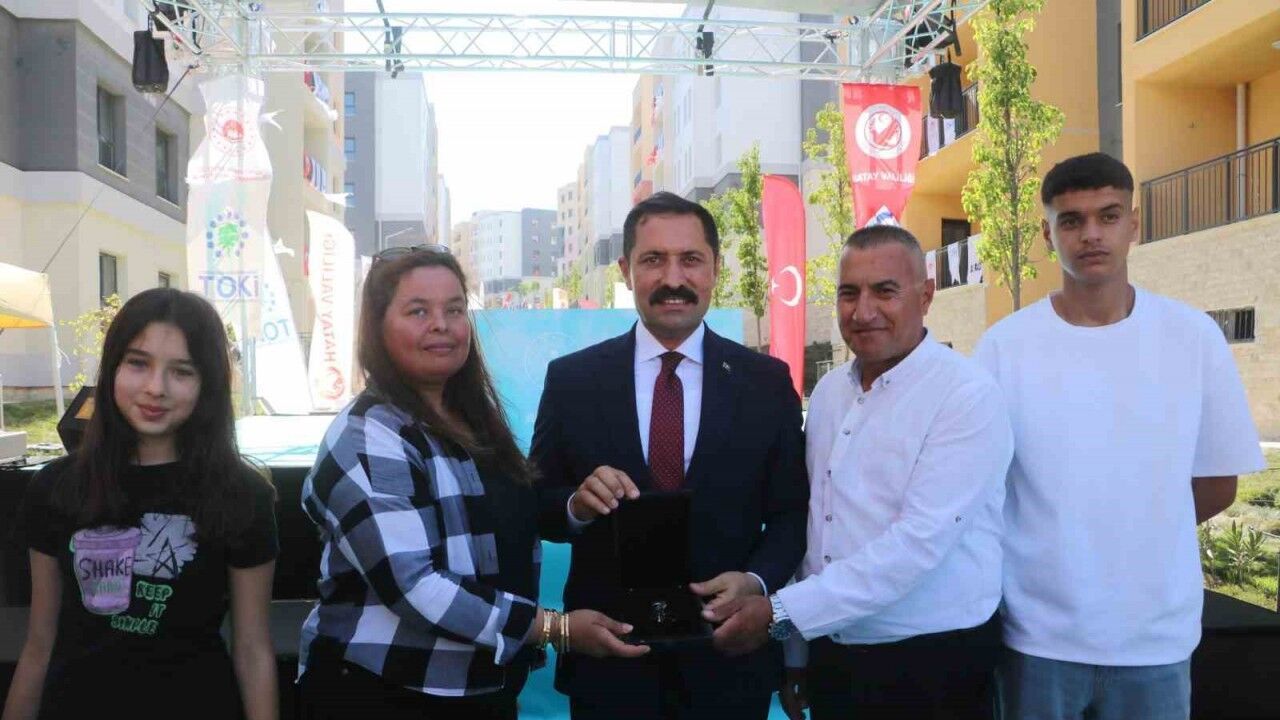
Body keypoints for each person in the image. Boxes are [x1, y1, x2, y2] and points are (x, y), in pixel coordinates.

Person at [973, 152, 1266, 720]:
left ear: (1133, 223)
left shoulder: (1192, 337)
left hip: (1154, 638)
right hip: (1038, 637)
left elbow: (1217, 484)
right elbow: (984, 489)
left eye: (1108, 216)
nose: (1091, 234)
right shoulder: (1004, 348)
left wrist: (1138, 532)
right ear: (1047, 234)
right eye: (1071, 220)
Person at [296, 248, 645, 720]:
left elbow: (514, 523)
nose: (441, 325)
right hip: (383, 692)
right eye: (418, 311)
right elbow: (414, 585)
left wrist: (576, 506)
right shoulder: (368, 433)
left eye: (455, 309)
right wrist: (555, 629)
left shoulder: (473, 421)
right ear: (377, 327)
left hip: (480, 691)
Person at [706, 226, 1013, 720]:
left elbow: (917, 543)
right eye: (849, 293)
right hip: (834, 658)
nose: (863, 311)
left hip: (934, 664)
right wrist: (798, 657)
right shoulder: (830, 393)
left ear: (926, 295)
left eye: (885, 291)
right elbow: (817, 527)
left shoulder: (966, 397)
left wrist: (780, 615)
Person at [531, 191, 809, 719]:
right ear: (626, 270)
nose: (673, 278)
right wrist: (575, 506)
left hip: (728, 664)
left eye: (691, 259)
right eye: (653, 259)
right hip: (609, 662)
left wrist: (756, 582)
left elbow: (793, 513)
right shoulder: (572, 381)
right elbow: (538, 505)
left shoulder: (767, 384)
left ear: (716, 268)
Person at [3, 288, 280, 720]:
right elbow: (40, 643)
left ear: (207, 384)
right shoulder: (56, 486)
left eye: (182, 371)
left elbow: (252, 649)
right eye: (138, 363)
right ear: (113, 366)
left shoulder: (243, 494)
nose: (155, 388)